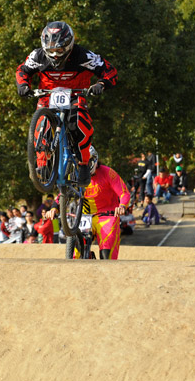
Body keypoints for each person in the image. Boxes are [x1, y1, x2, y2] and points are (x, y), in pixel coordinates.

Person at [16, 21, 118, 186]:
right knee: (41, 125)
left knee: (79, 123)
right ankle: (42, 164)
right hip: (47, 96)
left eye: (60, 50)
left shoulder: (83, 56)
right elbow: (22, 70)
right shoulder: (37, 56)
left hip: (75, 95)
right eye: (51, 51)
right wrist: (23, 85)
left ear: (69, 45)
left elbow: (109, 71)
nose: (55, 55)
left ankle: (83, 163)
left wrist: (102, 84)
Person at [44, 146, 129, 259]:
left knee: (106, 255)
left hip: (107, 216)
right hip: (85, 216)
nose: (83, 165)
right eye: (80, 162)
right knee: (76, 252)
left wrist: (122, 206)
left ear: (94, 160)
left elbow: (124, 193)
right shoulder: (74, 175)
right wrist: (54, 208)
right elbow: (62, 195)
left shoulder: (108, 173)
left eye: (86, 162)